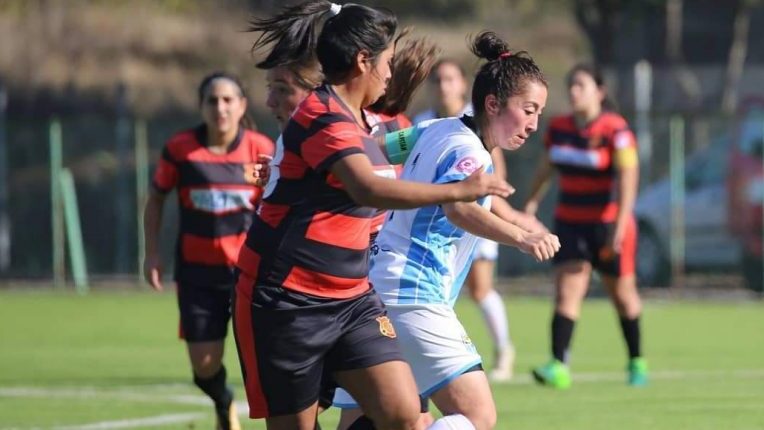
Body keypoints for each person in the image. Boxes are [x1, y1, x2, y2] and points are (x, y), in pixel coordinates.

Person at [235, 2, 512, 429]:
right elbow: (366, 187)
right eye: (386, 61)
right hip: (287, 300)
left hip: (353, 298)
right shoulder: (322, 116)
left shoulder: (369, 124)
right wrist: (459, 190)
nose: (390, 72)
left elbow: (404, 156)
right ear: (364, 60)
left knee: (405, 415)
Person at [334, 31, 559, 430]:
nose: (534, 123)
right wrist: (521, 237)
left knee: (367, 421)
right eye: (528, 109)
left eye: (539, 112)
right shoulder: (468, 152)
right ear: (493, 103)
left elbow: (371, 148)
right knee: (477, 416)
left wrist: (291, 165)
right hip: (413, 295)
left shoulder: (437, 128)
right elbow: (458, 207)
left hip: (374, 289)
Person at [143, 71, 275, 430]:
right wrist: (151, 253)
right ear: (201, 106)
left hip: (248, 274)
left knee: (264, 359)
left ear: (242, 105)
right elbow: (156, 198)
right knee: (204, 365)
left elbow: (278, 207)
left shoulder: (260, 149)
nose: (220, 107)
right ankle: (223, 400)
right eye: (212, 100)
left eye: (228, 100)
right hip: (197, 274)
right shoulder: (180, 149)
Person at [524, 63, 648, 389]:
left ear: (600, 91)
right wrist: (531, 203)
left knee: (622, 296)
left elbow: (628, 179)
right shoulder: (560, 127)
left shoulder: (615, 130)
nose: (574, 92)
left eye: (582, 85)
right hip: (570, 223)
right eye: (572, 86)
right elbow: (545, 169)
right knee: (567, 292)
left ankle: (636, 361)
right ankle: (558, 365)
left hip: (607, 224)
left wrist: (620, 227)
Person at [414, 58, 520, 382]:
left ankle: (503, 348)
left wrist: (515, 224)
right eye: (438, 79)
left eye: (450, 79)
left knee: (479, 287)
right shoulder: (423, 123)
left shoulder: (477, 122)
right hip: (432, 227)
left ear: (462, 85)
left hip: (475, 217)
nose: (443, 85)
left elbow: (492, 179)